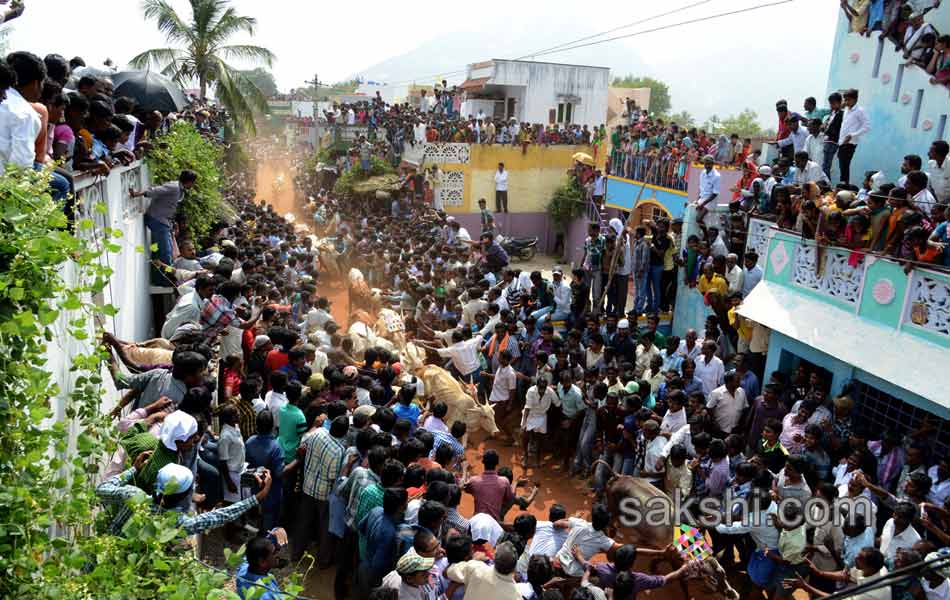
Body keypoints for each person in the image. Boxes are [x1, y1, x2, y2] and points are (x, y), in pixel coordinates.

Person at [129, 170, 199, 284]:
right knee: (166, 254)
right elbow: (156, 190)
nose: (193, 185)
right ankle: (165, 279)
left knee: (159, 252)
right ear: (190, 181)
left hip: (163, 222)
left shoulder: (179, 190)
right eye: (193, 182)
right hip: (157, 220)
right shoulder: (174, 187)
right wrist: (137, 193)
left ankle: (158, 278)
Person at [236, 530, 287, 599]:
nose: (278, 554)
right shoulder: (267, 595)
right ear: (262, 562)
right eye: (274, 552)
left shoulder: (243, 569)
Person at [836, 89, 870, 185]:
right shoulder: (847, 109)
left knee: (845, 163)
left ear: (855, 99)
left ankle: (844, 184)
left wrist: (852, 135)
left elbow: (867, 127)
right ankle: (844, 183)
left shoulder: (860, 111)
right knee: (842, 163)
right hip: (842, 141)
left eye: (848, 100)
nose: (846, 102)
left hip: (850, 142)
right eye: (845, 100)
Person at [695, 155, 721, 227]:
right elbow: (701, 189)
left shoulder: (717, 176)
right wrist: (697, 200)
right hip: (702, 198)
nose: (707, 165)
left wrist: (702, 204)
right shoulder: (703, 173)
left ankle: (706, 234)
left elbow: (715, 194)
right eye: (706, 163)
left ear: (712, 164)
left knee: (698, 219)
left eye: (709, 163)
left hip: (710, 201)